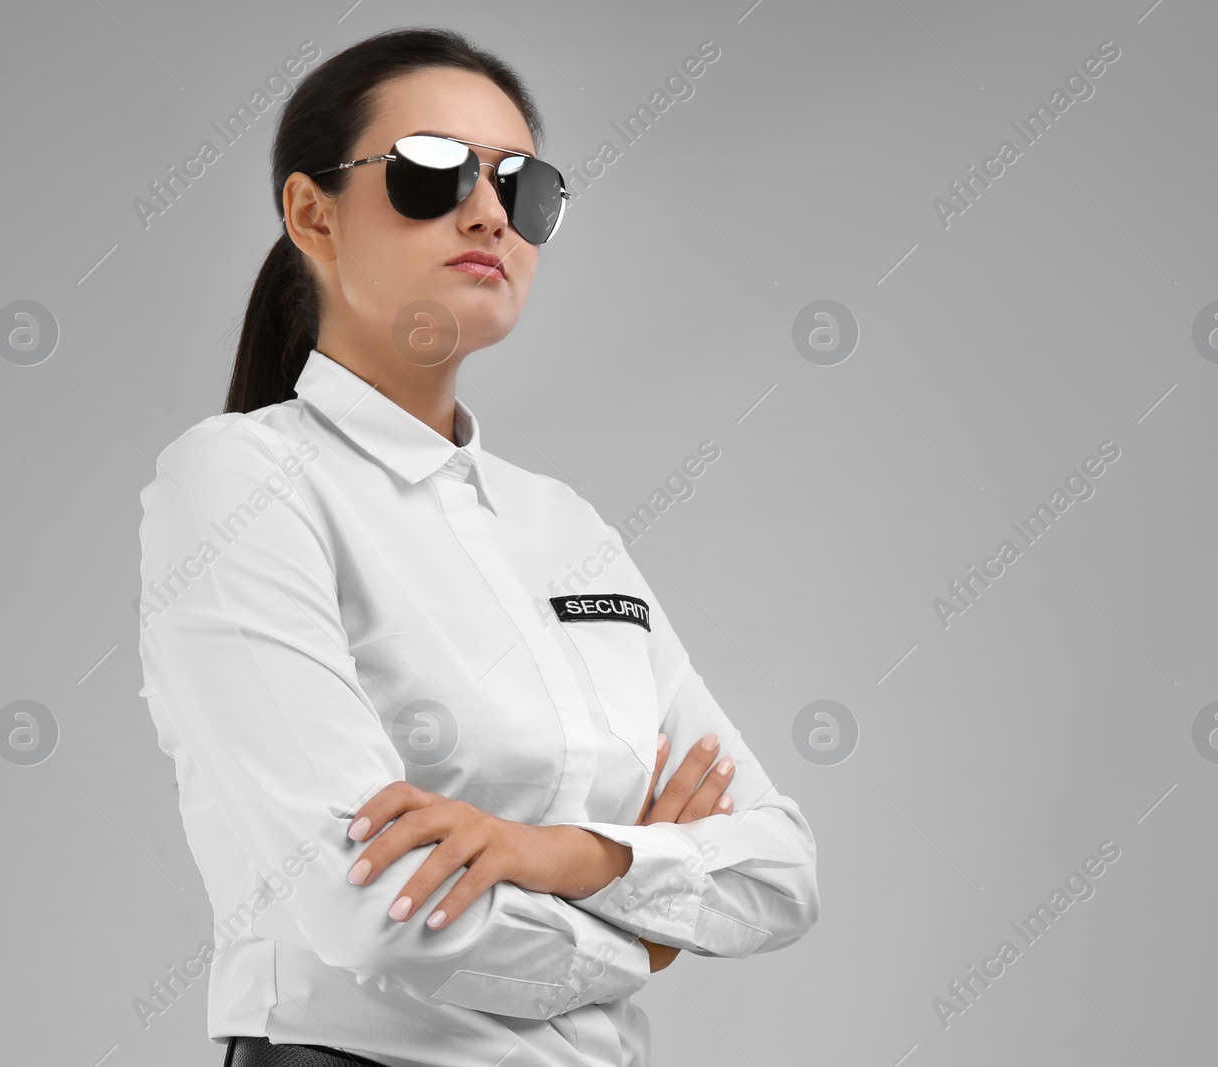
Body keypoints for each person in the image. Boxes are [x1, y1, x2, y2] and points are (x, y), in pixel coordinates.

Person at [135, 25, 820, 1067]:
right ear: (311, 213)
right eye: (427, 173)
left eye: (523, 185)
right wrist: (647, 923)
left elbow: (779, 867)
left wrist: (558, 852)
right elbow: (377, 912)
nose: (489, 211)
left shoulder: (562, 525)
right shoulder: (237, 482)